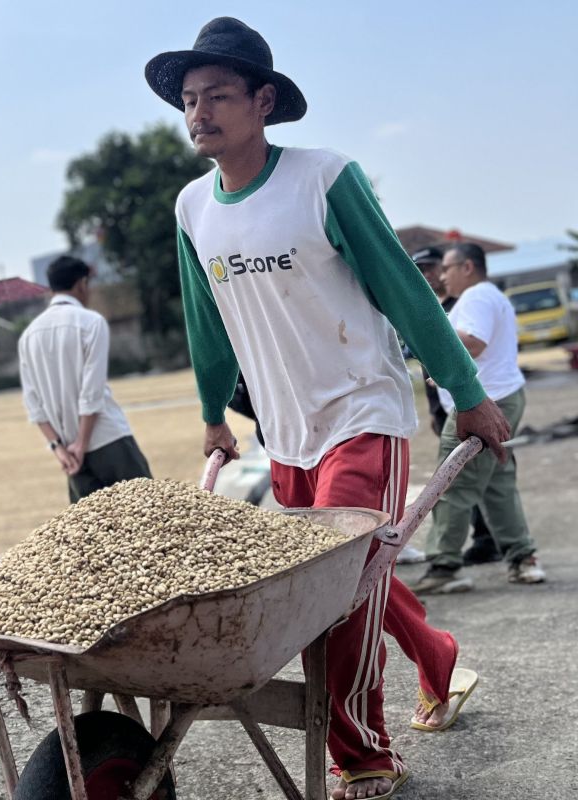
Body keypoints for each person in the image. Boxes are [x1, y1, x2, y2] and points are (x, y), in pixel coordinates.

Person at [146, 18, 509, 799]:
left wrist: (468, 396)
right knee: (336, 581)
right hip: (284, 430)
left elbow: (405, 293)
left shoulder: (322, 176)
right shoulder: (191, 208)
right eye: (188, 99)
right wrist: (215, 414)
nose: (198, 113)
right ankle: (436, 654)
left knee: (334, 598)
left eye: (217, 96)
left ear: (263, 101)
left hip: (360, 413)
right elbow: (204, 318)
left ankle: (365, 753)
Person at [413, 243, 545, 592]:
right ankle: (522, 557)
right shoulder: (488, 295)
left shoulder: (476, 297)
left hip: (481, 404)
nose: (442, 276)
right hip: (502, 397)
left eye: (448, 268)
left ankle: (443, 565)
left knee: (452, 483)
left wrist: (424, 334)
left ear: (468, 267)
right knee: (497, 482)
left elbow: (472, 343)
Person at [18, 255, 152, 502]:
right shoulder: (91, 322)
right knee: (149, 517)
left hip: (71, 455)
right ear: (81, 284)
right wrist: (82, 442)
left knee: (91, 536)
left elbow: (33, 406)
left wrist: (59, 448)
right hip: (108, 439)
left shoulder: (28, 336)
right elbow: (92, 392)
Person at [410, 246, 498, 570]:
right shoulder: (424, 307)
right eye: (423, 268)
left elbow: (473, 345)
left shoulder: (462, 306)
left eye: (435, 267)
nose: (431, 274)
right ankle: (487, 539)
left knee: (467, 478)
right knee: (469, 475)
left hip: (473, 400)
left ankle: (465, 551)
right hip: (442, 404)